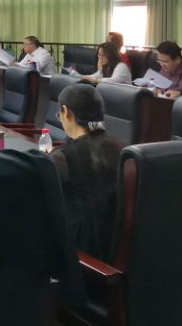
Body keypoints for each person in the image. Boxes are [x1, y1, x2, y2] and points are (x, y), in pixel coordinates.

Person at [50, 84, 123, 259]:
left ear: (66, 112)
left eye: (59, 114)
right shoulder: (121, 149)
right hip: (110, 246)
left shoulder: (62, 158)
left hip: (78, 253)